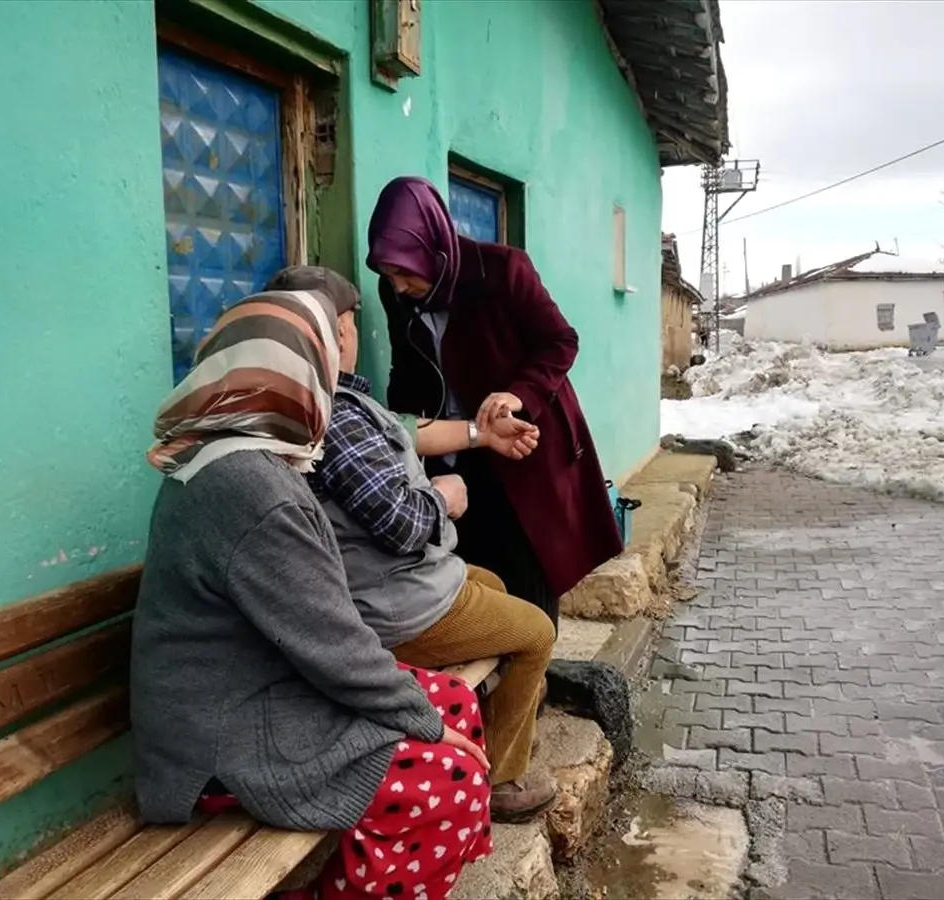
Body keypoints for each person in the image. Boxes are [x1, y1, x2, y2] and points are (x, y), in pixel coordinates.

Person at [131, 283, 492, 900]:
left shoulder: (235, 457)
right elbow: (330, 641)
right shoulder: (249, 486)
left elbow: (318, 628)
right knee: (450, 776)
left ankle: (386, 873)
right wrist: (419, 723)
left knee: (454, 699)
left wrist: (423, 713)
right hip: (221, 741)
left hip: (254, 692)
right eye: (320, 363)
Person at [262, 265, 558, 825]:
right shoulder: (335, 417)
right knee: (535, 633)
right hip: (391, 606)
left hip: (386, 588)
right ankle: (499, 780)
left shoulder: (310, 401)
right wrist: (445, 495)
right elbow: (399, 523)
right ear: (341, 332)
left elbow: (404, 428)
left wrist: (479, 434)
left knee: (490, 584)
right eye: (350, 322)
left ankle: (485, 723)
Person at [365, 176, 624, 632]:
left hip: (520, 443)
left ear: (435, 247)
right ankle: (491, 689)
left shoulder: (503, 270)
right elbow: (405, 370)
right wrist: (405, 438)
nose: (399, 286)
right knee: (470, 576)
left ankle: (532, 681)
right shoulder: (398, 295)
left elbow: (560, 340)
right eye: (388, 275)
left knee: (531, 575)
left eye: (405, 272)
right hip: (456, 450)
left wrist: (517, 394)